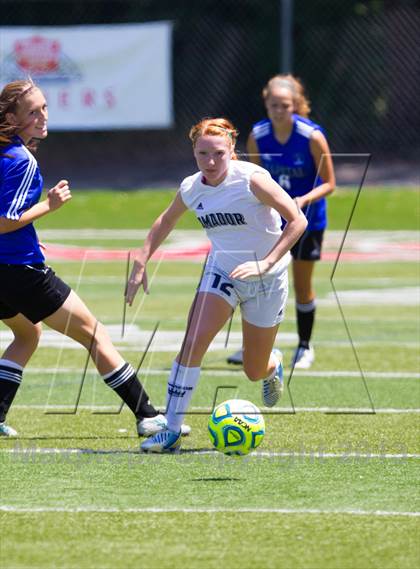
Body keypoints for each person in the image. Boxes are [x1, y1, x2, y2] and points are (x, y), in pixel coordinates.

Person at [0, 78, 190, 438]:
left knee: (27, 334)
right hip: (19, 271)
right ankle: (147, 415)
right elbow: (4, 222)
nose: (43, 116)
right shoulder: (20, 160)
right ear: (11, 117)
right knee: (95, 334)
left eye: (44, 108)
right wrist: (48, 206)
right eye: (32, 111)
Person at [125, 117, 307, 453]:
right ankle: (172, 429)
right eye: (202, 153)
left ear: (232, 151)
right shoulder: (192, 187)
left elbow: (298, 219)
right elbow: (166, 219)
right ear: (193, 152)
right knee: (193, 342)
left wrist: (266, 262)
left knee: (254, 370)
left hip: (267, 278)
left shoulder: (252, 180)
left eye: (218, 154)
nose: (210, 162)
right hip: (221, 272)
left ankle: (271, 364)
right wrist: (142, 259)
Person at [226, 74, 335, 369]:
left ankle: (304, 345)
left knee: (301, 285)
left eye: (285, 105)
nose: (279, 110)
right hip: (271, 223)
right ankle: (257, 348)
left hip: (307, 222)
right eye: (273, 104)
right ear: (266, 103)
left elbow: (329, 183)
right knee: (256, 281)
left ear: (295, 105)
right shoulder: (258, 135)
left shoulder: (311, 136)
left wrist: (300, 202)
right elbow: (255, 178)